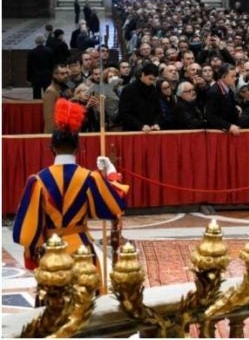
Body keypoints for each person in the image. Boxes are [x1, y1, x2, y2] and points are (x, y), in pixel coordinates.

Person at [13, 98, 127, 280]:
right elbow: (114, 206)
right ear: (78, 148)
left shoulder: (37, 181)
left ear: (51, 149)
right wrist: (111, 174)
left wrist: (33, 254)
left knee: (53, 302)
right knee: (89, 302)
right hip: (83, 252)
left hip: (51, 254)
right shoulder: (90, 178)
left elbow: (25, 233)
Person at [118, 63, 161, 132]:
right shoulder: (129, 90)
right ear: (143, 74)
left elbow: (158, 111)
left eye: (154, 79)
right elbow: (124, 113)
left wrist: (156, 123)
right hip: (132, 131)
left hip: (150, 129)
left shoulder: (153, 90)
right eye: (150, 79)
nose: (152, 82)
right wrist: (140, 125)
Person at [205, 63, 242, 135]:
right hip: (217, 133)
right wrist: (228, 126)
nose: (235, 79)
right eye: (233, 76)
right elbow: (210, 116)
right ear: (223, 76)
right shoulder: (214, 92)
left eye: (236, 76)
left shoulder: (229, 90)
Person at [42, 64, 72, 133]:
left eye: (66, 73)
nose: (65, 76)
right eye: (62, 74)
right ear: (54, 75)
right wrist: (54, 135)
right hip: (56, 133)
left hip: (66, 129)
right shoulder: (50, 91)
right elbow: (49, 118)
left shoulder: (66, 88)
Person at [27, 34, 54, 99]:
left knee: (36, 95)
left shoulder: (32, 52)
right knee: (48, 94)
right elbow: (52, 64)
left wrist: (28, 78)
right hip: (47, 75)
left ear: (36, 41)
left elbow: (29, 66)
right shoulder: (49, 51)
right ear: (44, 41)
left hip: (35, 76)